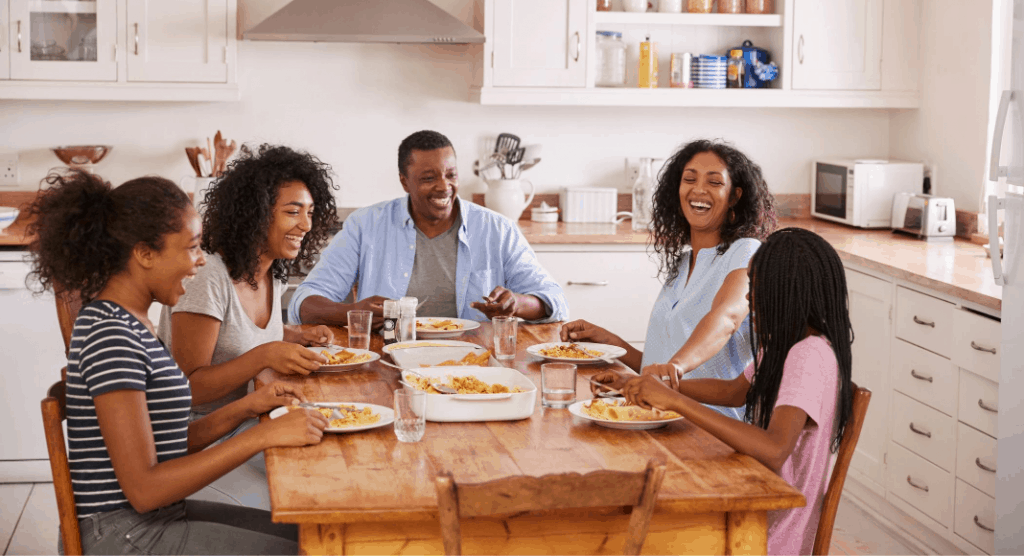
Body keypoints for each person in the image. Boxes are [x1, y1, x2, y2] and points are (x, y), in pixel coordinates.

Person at [26, 171, 328, 555]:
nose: (200, 262)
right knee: (311, 550)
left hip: (153, 520)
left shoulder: (133, 322)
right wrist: (262, 435)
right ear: (144, 253)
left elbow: (166, 444)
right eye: (191, 248)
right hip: (124, 535)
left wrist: (248, 407)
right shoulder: (110, 335)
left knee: (313, 536)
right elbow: (145, 489)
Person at [602, 228, 855, 556]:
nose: (749, 296)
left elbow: (775, 448)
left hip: (769, 535)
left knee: (637, 532)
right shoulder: (785, 344)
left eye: (757, 284)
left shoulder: (809, 355)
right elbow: (734, 392)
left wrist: (676, 400)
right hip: (755, 507)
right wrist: (656, 388)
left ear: (788, 291)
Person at [562, 139, 776, 419]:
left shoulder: (746, 252)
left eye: (714, 182)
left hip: (711, 428)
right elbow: (660, 370)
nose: (699, 189)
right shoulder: (683, 263)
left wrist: (675, 366)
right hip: (661, 416)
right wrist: (611, 343)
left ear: (734, 197)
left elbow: (728, 318)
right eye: (689, 179)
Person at [288, 130, 568, 326]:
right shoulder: (365, 225)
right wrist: (352, 312)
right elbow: (303, 303)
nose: (444, 186)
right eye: (428, 178)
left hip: (476, 363)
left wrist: (516, 303)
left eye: (451, 175)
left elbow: (554, 300)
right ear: (404, 181)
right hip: (389, 360)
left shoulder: (497, 229)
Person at [159, 144, 338, 419]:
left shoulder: (271, 270)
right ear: (256, 214)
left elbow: (237, 333)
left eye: (310, 213)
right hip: (201, 433)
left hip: (252, 416)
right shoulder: (207, 276)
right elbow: (188, 389)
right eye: (293, 212)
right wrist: (265, 356)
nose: (306, 225)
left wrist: (297, 335)